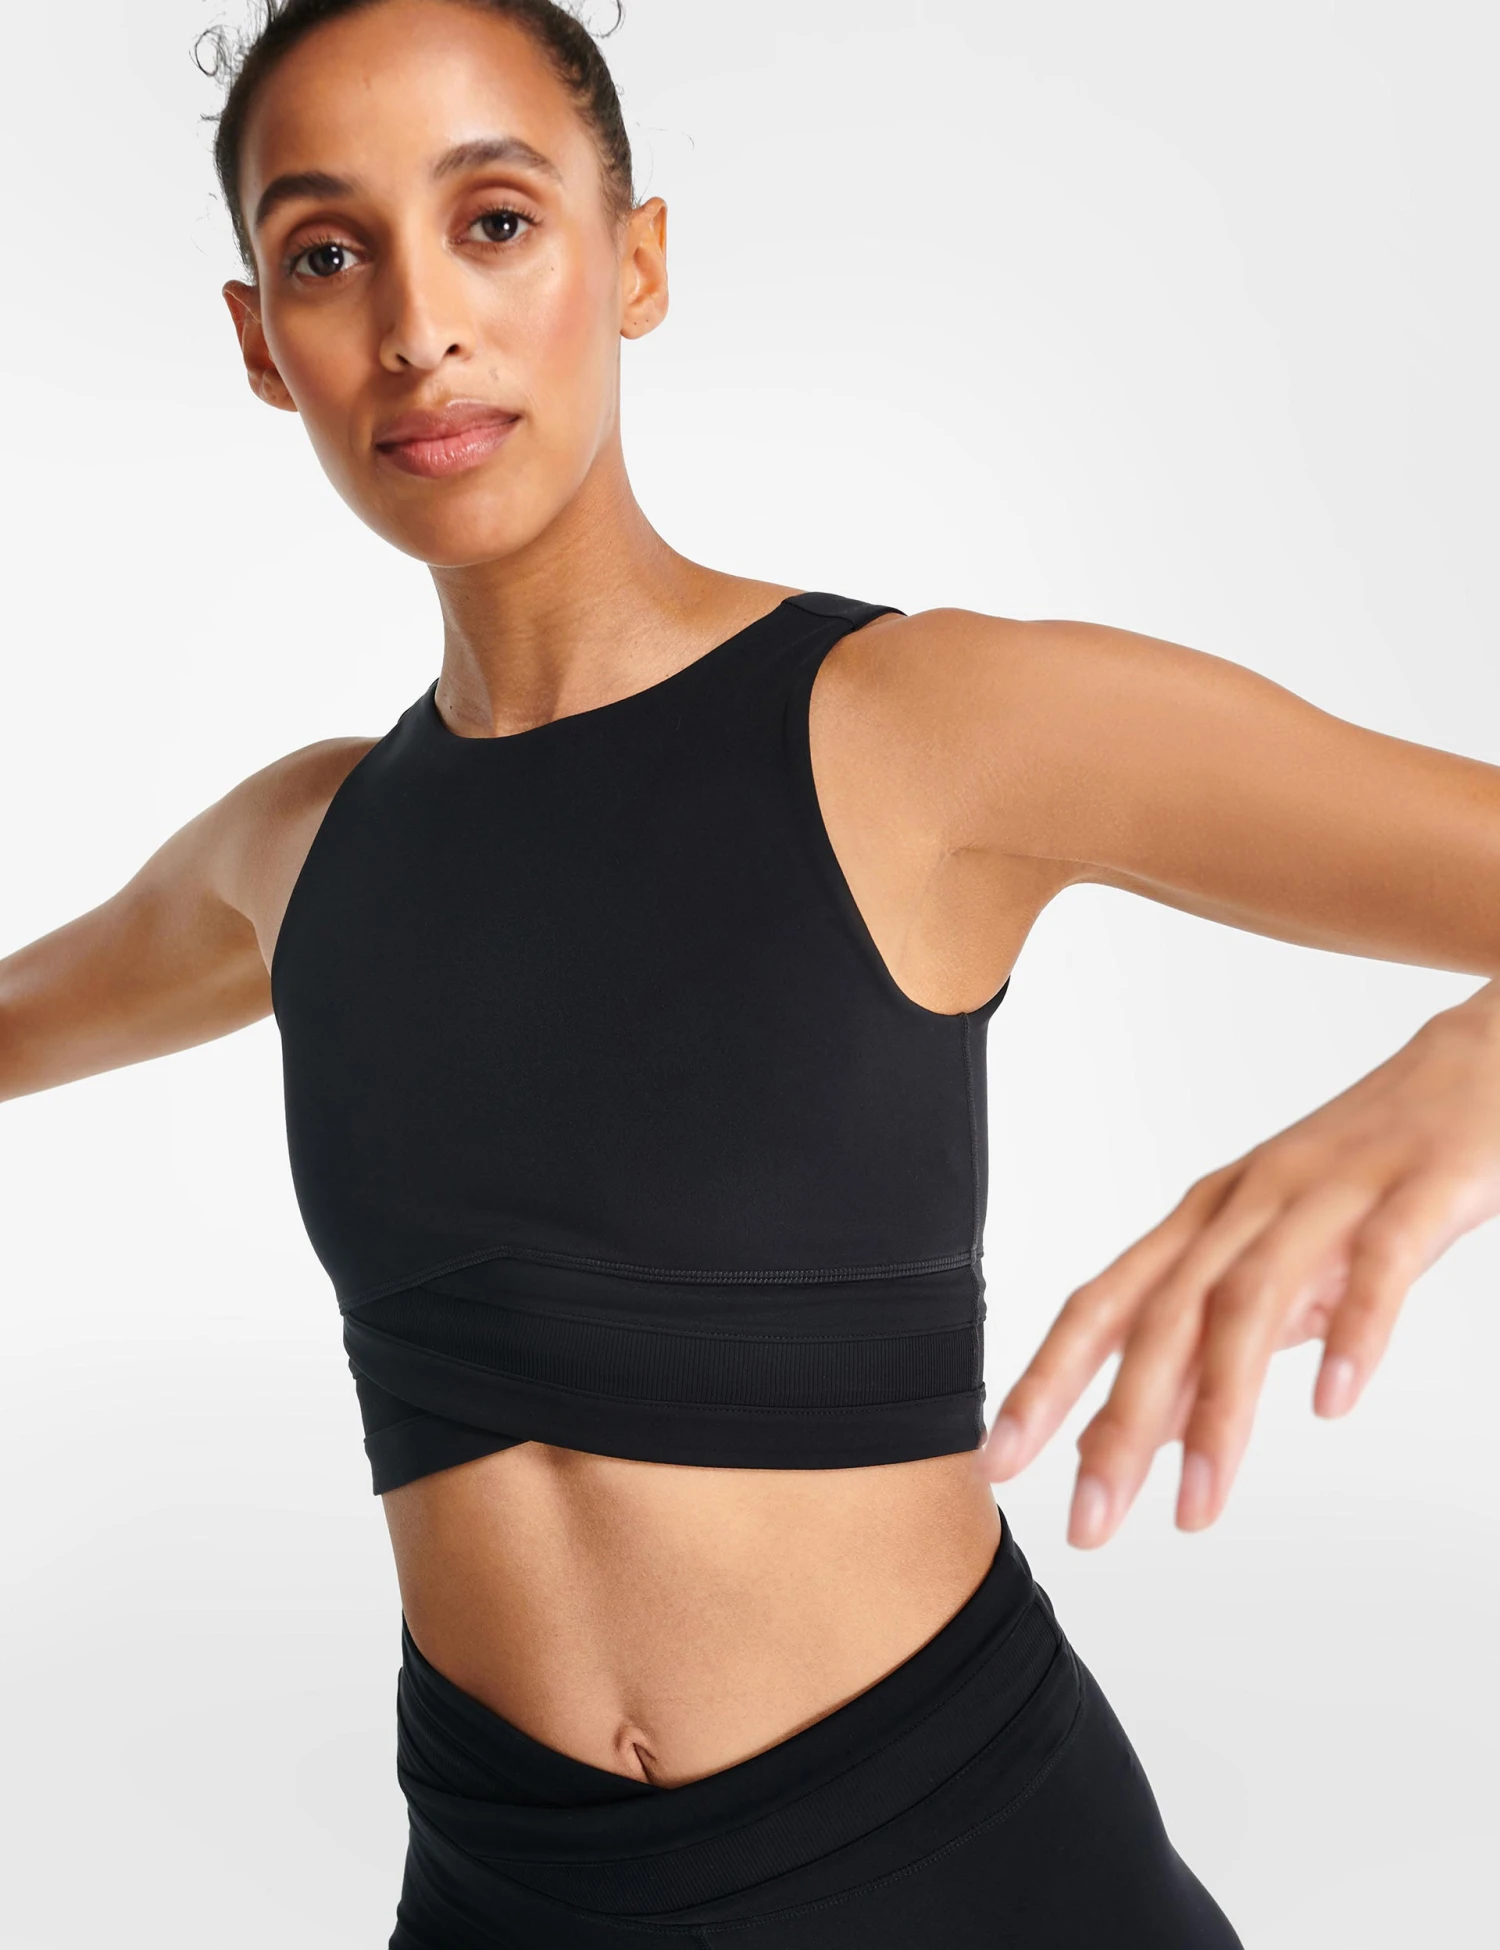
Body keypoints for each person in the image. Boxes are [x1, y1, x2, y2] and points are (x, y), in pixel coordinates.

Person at [6, 1, 1499, 1943]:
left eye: (495, 221)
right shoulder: (296, 849)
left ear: (635, 262)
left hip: (960, 1870)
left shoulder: (925, 725)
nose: (418, 327)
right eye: (326, 253)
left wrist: (1465, 1068)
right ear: (256, 341)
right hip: (501, 1885)